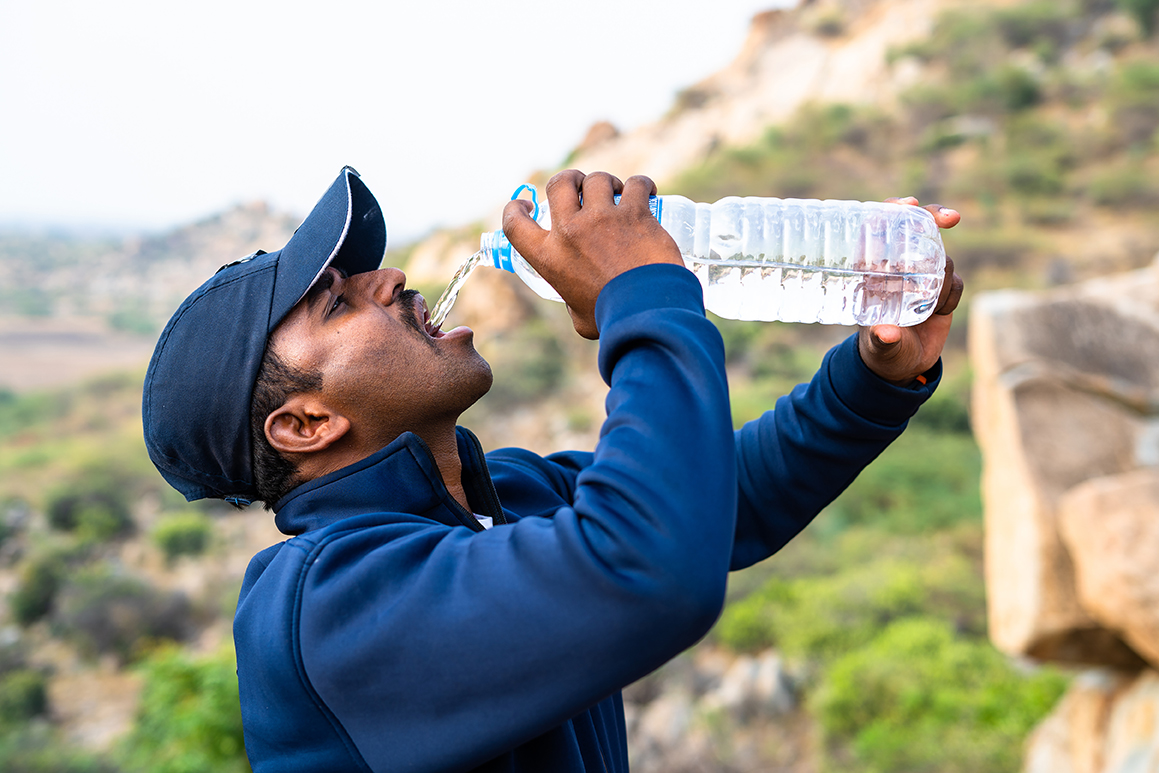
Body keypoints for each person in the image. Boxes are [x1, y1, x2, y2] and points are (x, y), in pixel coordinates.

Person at [142, 166, 963, 772]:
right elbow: (648, 566)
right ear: (306, 423)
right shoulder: (325, 609)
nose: (390, 279)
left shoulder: (503, 501)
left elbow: (722, 498)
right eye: (337, 301)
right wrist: (639, 293)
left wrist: (872, 376)